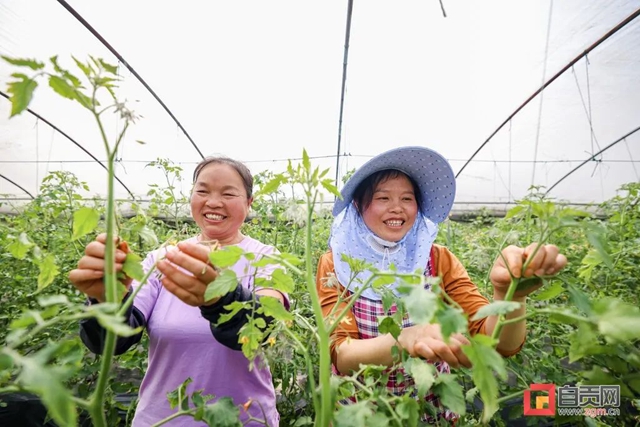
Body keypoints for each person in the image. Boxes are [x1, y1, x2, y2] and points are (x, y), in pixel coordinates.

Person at [315, 146, 567, 422]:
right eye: (383, 197)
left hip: (429, 408)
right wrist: (405, 339)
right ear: (357, 206)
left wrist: (510, 297)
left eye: (407, 199)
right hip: (361, 410)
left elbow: (497, 342)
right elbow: (340, 353)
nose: (397, 207)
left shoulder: (436, 260)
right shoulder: (338, 264)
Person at [69, 157, 288, 427]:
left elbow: (263, 326)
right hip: (162, 419)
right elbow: (115, 339)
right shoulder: (162, 258)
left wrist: (221, 299)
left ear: (249, 203)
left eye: (228, 193)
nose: (213, 202)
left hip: (244, 419)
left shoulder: (266, 258)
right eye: (203, 191)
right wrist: (105, 301)